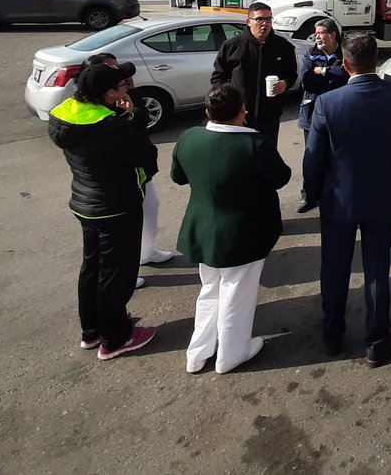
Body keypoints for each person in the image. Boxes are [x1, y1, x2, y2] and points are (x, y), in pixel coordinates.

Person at [303, 32, 391, 366]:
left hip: (339, 200)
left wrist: (312, 193)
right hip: (384, 196)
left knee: (334, 267)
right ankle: (377, 341)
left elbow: (313, 157)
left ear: (345, 63)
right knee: (377, 267)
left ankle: (332, 336)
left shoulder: (328, 102)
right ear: (377, 61)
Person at [170, 84, 291, 374]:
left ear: (207, 111)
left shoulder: (189, 137)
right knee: (238, 293)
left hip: (203, 230)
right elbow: (281, 177)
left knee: (210, 289)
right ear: (242, 112)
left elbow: (178, 177)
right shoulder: (255, 143)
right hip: (244, 233)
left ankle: (198, 352)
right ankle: (231, 354)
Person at [49, 62, 159, 360]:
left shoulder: (67, 114)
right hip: (117, 207)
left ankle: (92, 331)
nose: (127, 88)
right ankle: (116, 338)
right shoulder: (112, 126)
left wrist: (121, 116)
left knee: (93, 268)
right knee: (116, 276)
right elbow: (147, 155)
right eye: (122, 85)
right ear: (110, 93)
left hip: (86, 204)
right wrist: (131, 118)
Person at [85, 52, 175, 274]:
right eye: (113, 70)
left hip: (137, 174)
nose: (123, 77)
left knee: (150, 207)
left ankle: (146, 252)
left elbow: (142, 121)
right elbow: (136, 148)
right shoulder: (100, 113)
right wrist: (127, 117)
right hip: (115, 186)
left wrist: (132, 107)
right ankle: (124, 274)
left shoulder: (124, 96)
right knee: (119, 235)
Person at [211, 1, 299, 146]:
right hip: (239, 117)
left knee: (266, 158)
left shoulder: (283, 47)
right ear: (248, 22)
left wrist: (285, 83)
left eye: (269, 19)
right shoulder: (232, 46)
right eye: (259, 19)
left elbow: (292, 73)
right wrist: (232, 101)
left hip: (270, 118)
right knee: (240, 158)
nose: (265, 23)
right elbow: (217, 78)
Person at [294, 19, 348, 213]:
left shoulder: (345, 53)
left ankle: (337, 196)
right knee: (312, 156)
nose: (317, 36)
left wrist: (324, 71)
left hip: (339, 113)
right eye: (316, 33)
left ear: (333, 34)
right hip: (312, 113)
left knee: (339, 156)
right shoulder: (311, 53)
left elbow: (347, 77)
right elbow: (307, 82)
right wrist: (333, 76)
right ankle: (309, 195)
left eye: (321, 32)